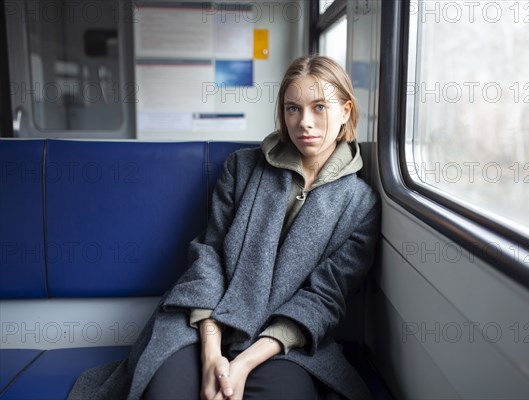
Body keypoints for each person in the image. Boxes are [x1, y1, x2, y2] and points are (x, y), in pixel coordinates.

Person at [68, 54, 380, 400]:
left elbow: (324, 298)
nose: (304, 122)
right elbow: (210, 255)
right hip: (201, 323)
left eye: (319, 107)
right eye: (293, 108)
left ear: (346, 111)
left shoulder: (360, 203)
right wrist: (212, 354)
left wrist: (242, 365)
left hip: (282, 344)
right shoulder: (242, 168)